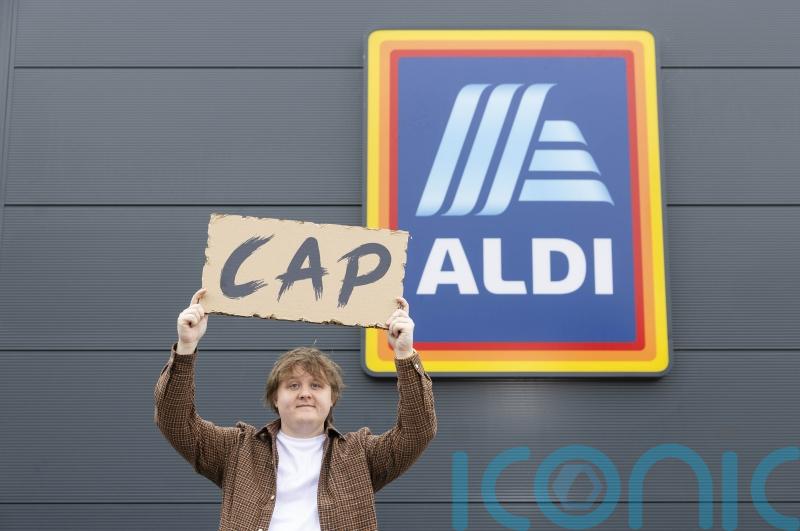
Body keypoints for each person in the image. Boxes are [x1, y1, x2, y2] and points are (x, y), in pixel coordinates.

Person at [154, 288, 436, 531]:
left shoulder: (360, 455)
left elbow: (417, 431)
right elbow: (175, 421)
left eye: (316, 385)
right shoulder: (237, 450)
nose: (304, 393)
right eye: (292, 386)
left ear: (332, 398)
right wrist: (186, 347)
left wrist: (404, 353)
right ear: (274, 398)